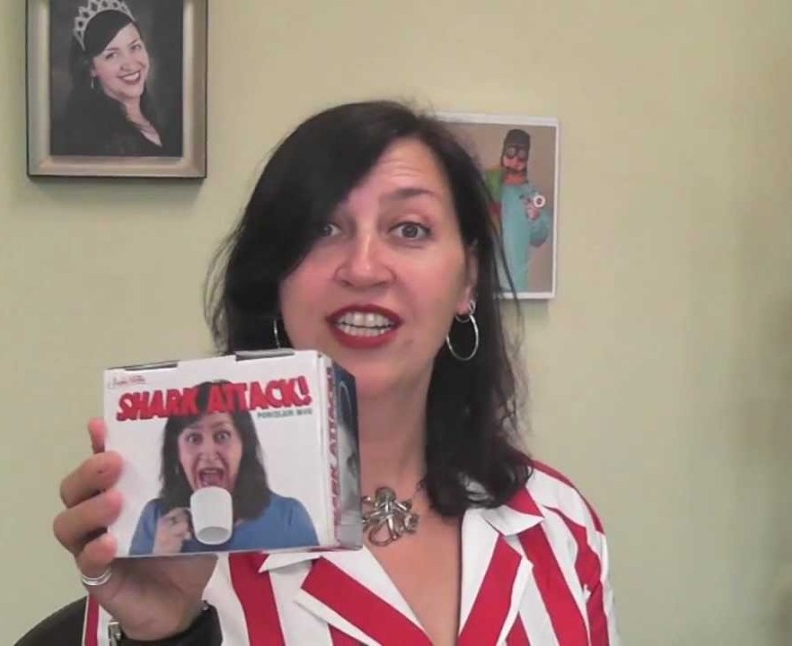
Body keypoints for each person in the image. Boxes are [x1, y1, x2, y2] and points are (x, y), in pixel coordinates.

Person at [44, 100, 619, 645]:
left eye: (409, 229)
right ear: (275, 278)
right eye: (323, 229)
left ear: (467, 279)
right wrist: (166, 637)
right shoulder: (170, 552)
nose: (364, 268)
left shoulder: (557, 524)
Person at [128, 380, 319, 556]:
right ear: (176, 452)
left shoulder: (288, 517)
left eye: (222, 436)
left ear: (244, 446)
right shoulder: (155, 519)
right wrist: (160, 556)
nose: (208, 452)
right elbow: (131, 583)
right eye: (194, 438)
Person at [52, 0, 180, 157]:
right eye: (112, 55)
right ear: (91, 68)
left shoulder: (154, 117)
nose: (130, 64)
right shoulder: (104, 142)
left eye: (135, 47)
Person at [483, 128, 554, 293]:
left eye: (521, 157)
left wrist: (534, 217)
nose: (514, 162)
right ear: (503, 152)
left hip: (515, 281)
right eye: (510, 154)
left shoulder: (530, 193)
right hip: (487, 276)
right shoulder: (488, 183)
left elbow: (540, 237)